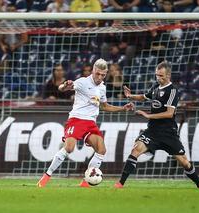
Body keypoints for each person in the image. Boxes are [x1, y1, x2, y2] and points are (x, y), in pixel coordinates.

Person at [114, 61, 199, 189]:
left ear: (168, 76)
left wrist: (148, 115)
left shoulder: (172, 91)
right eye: (157, 75)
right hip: (153, 131)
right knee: (135, 150)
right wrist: (130, 96)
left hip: (168, 133)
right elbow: (144, 97)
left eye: (161, 76)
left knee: (184, 161)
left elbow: (169, 113)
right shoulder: (155, 86)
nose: (158, 78)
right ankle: (120, 183)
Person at [37, 58, 134, 188]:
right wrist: (66, 85)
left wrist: (123, 108)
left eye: (103, 75)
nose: (99, 77)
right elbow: (62, 88)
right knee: (69, 148)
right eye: (97, 74)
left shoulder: (102, 88)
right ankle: (46, 176)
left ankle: (85, 183)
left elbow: (104, 106)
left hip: (91, 123)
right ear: (93, 70)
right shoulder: (82, 82)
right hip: (77, 119)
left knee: (101, 149)